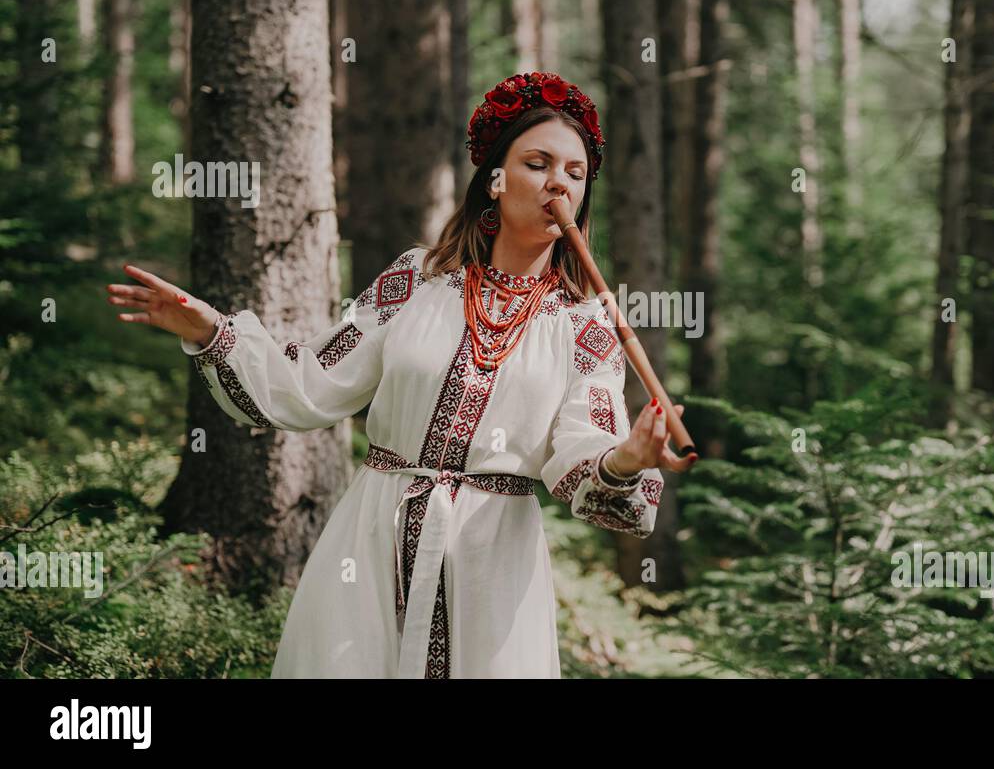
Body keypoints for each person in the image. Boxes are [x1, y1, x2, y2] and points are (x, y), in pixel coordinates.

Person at [105, 71, 693, 678]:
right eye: (538, 163)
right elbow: (310, 382)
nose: (558, 184)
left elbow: (580, 457)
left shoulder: (585, 326)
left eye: (574, 173)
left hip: (493, 566)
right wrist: (210, 331)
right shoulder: (417, 280)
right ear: (494, 178)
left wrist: (626, 459)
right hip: (372, 542)